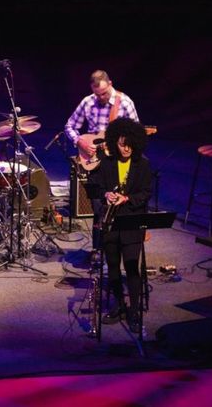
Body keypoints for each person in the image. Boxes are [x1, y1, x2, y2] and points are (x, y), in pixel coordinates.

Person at [88, 118, 153, 332]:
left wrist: (126, 199)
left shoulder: (142, 163)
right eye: (121, 144)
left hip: (132, 222)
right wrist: (105, 194)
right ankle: (119, 305)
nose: (126, 148)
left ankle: (134, 310)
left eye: (129, 144)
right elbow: (93, 188)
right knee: (113, 269)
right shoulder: (106, 163)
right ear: (115, 142)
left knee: (132, 268)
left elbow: (145, 193)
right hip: (110, 222)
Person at [64, 69, 140, 161]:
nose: (101, 97)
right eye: (97, 94)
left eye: (104, 93)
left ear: (110, 84)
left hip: (116, 158)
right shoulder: (88, 101)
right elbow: (69, 126)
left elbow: (137, 134)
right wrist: (79, 142)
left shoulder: (125, 103)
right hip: (92, 159)